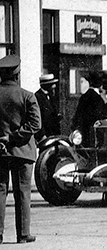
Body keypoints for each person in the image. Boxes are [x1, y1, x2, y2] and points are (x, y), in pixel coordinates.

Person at [0, 55, 38, 244]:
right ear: (17, 74)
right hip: (22, 151)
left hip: (0, 151)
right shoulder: (27, 96)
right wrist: (14, 137)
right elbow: (35, 124)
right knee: (22, 192)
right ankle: (23, 234)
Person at [74, 71, 107, 146]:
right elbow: (99, 115)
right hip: (94, 133)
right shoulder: (96, 98)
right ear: (100, 83)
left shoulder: (85, 95)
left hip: (84, 132)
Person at [35, 74, 61, 138]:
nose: (54, 86)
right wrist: (42, 135)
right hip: (44, 135)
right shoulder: (37, 97)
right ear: (46, 85)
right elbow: (38, 118)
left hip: (53, 133)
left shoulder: (51, 96)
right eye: (51, 84)